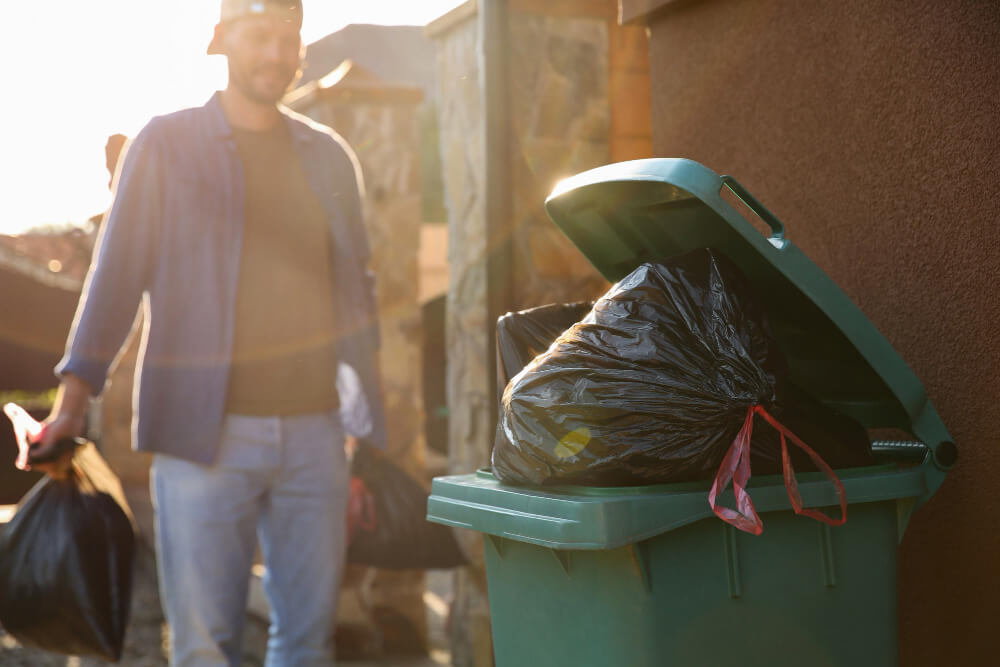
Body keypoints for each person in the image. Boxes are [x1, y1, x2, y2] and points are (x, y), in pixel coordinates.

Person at [24, 1, 385, 664]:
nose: (277, 53)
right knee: (201, 646)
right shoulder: (164, 144)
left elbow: (354, 293)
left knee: (308, 642)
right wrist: (71, 405)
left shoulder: (329, 157)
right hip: (202, 438)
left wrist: (362, 436)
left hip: (316, 437)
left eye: (288, 37)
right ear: (219, 40)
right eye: (259, 36)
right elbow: (115, 279)